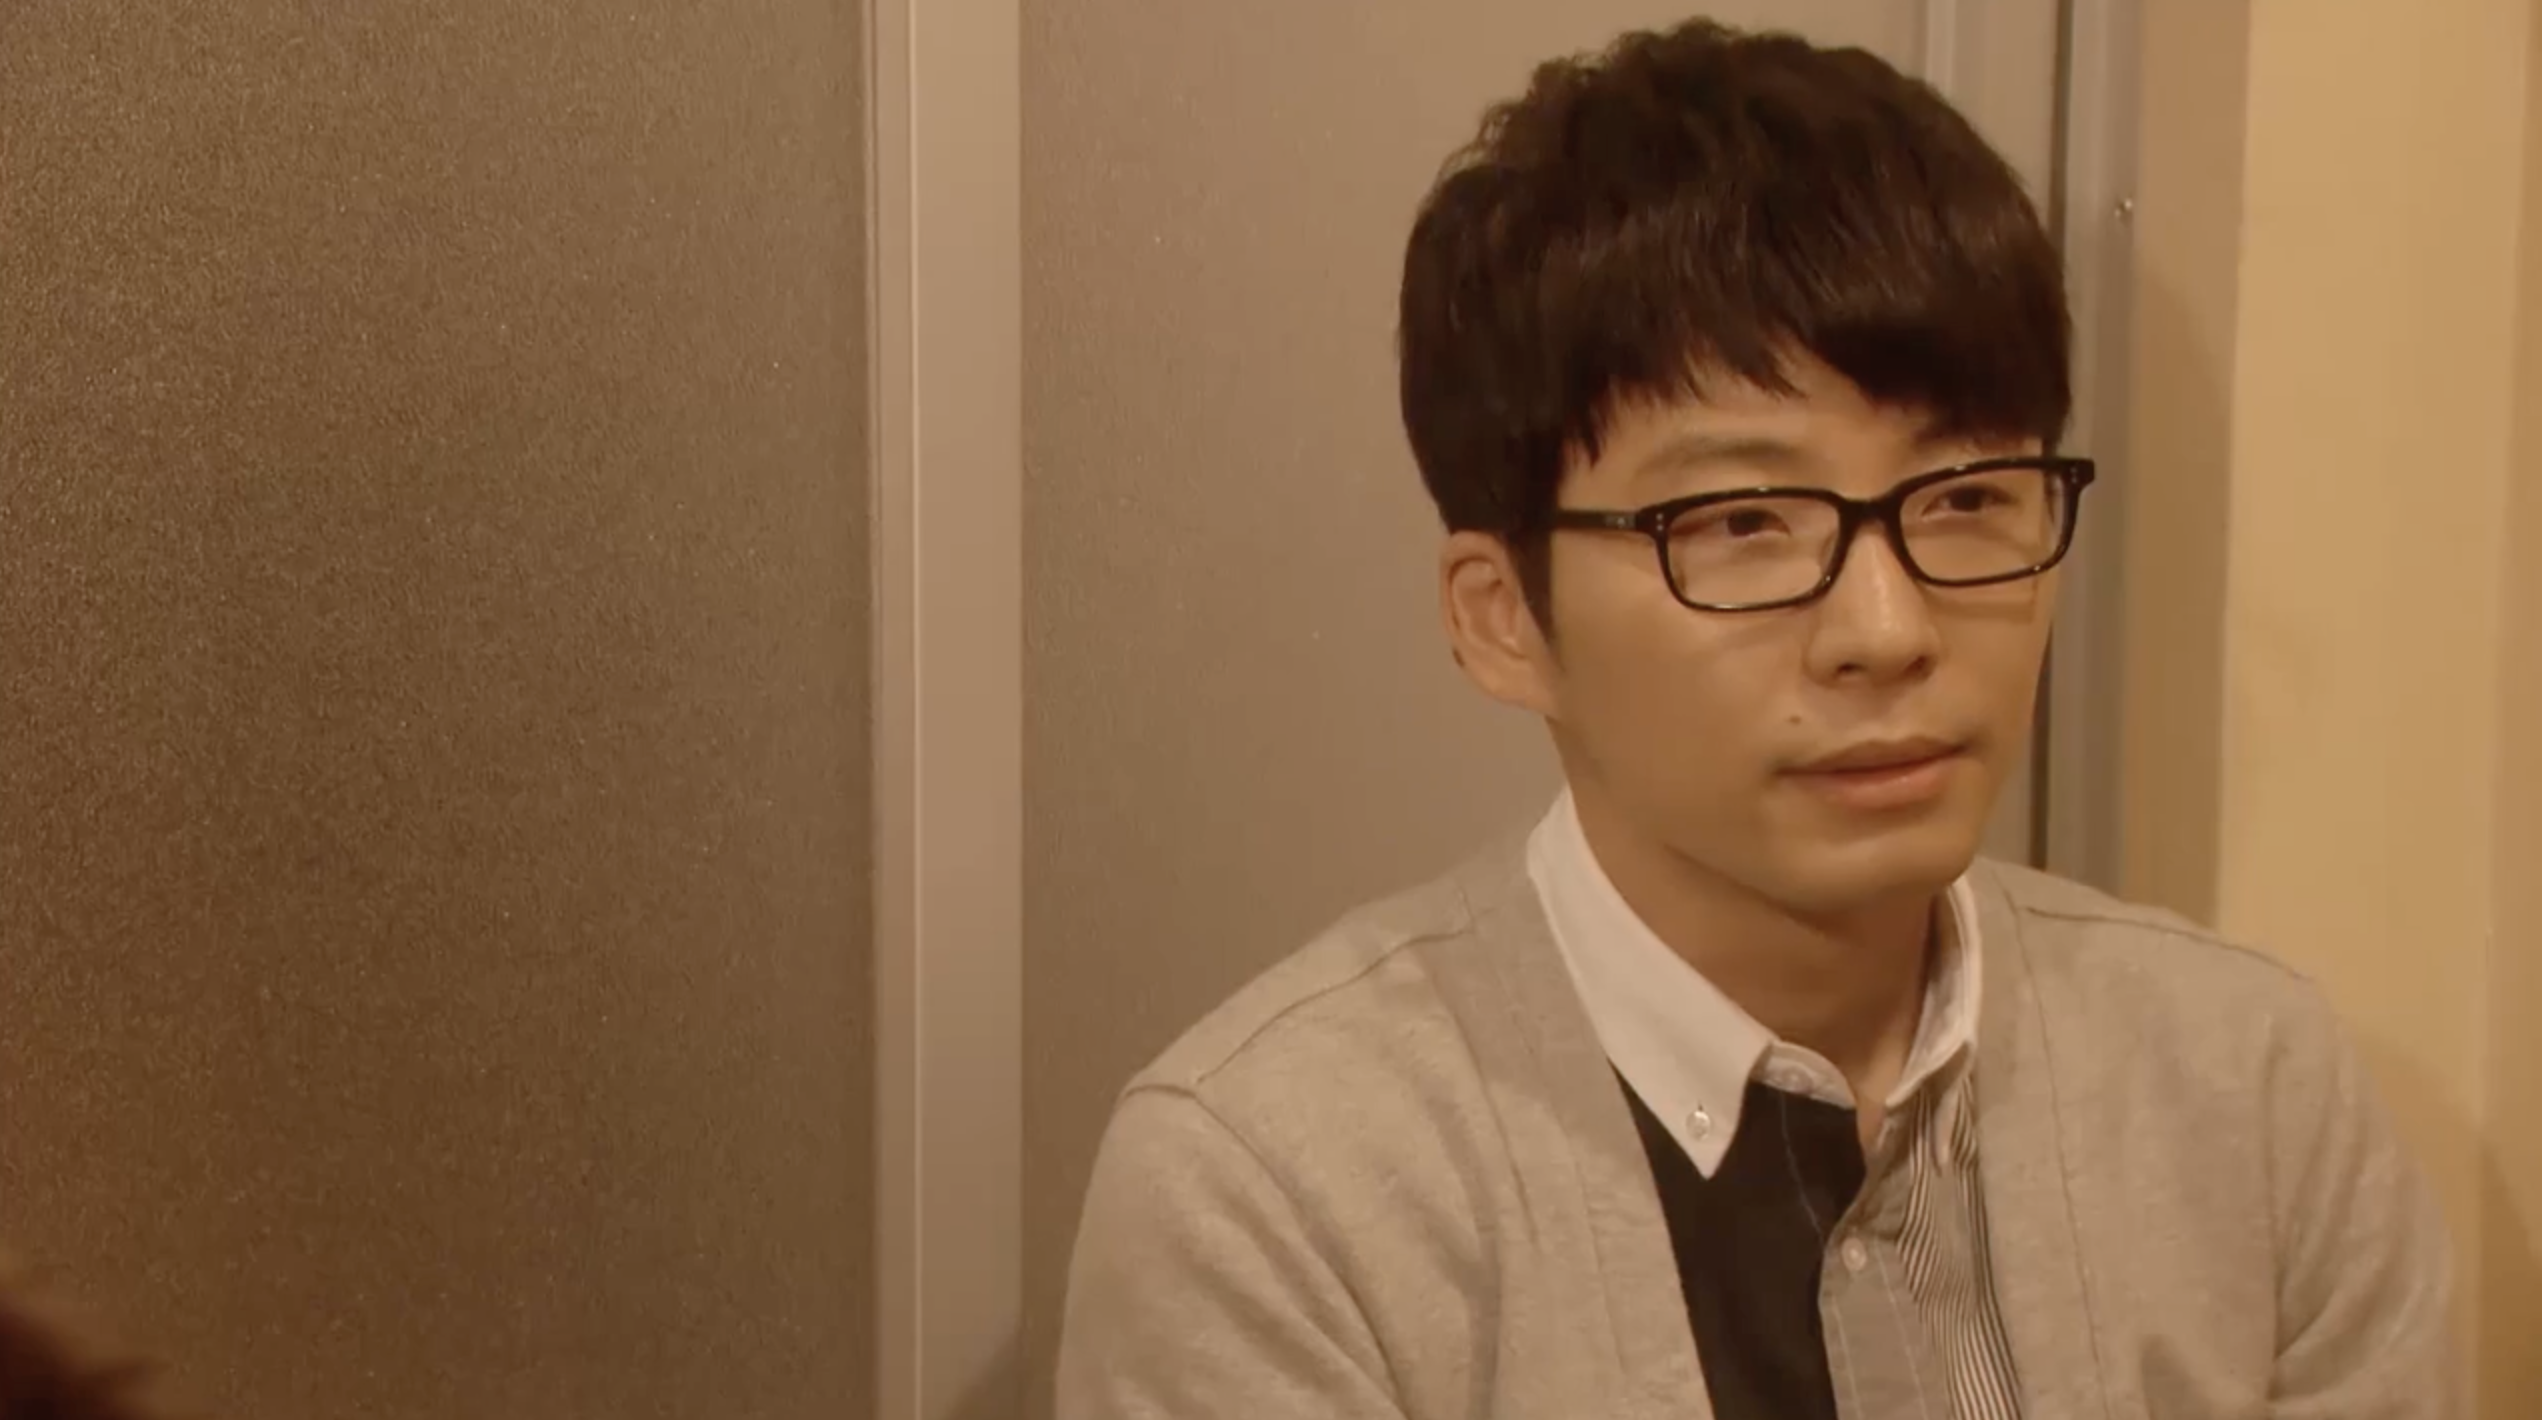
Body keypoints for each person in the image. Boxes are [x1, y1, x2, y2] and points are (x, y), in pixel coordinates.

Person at [1053, 18, 2458, 1420]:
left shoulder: (2248, 1092)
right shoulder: (1280, 1188)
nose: (1887, 631)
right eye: (1739, 523)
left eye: (1967, 498)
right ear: (1503, 618)